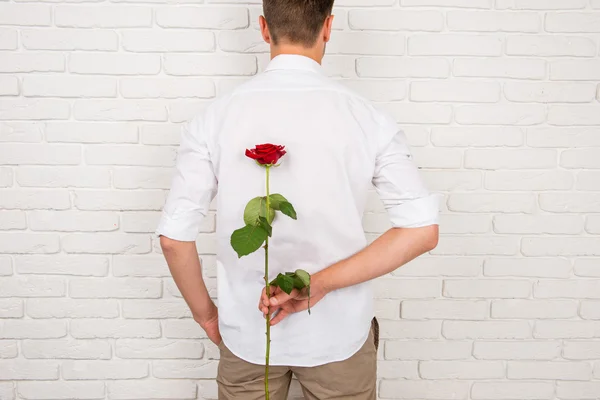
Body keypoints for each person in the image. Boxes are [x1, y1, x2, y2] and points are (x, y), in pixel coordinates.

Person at [156, 0, 440, 398]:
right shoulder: (367, 118)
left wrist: (208, 319)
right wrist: (319, 284)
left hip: (247, 334)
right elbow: (421, 231)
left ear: (263, 28)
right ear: (328, 27)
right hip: (339, 335)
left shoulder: (214, 117)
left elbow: (173, 240)